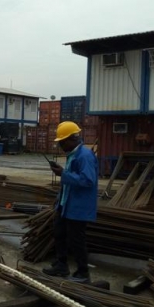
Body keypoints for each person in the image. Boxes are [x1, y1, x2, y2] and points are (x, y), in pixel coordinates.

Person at [42, 121, 98, 283]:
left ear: (71, 139)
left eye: (61, 142)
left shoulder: (85, 156)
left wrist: (63, 174)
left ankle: (83, 272)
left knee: (76, 240)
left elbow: (88, 180)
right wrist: (59, 199)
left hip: (78, 207)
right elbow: (70, 179)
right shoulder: (73, 154)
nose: (60, 145)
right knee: (59, 234)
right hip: (66, 204)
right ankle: (61, 265)